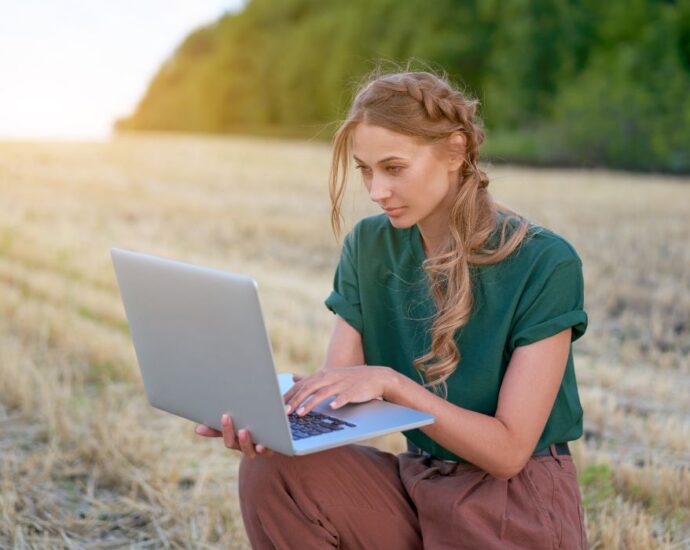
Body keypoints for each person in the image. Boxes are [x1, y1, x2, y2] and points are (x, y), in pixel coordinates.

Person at [195, 67, 589, 549]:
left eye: (394, 168)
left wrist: (393, 384)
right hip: (418, 486)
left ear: (455, 150)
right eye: (365, 170)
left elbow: (508, 452)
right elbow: (338, 390)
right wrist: (272, 420)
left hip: (517, 507)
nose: (376, 190)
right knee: (274, 470)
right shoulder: (368, 245)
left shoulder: (545, 262)